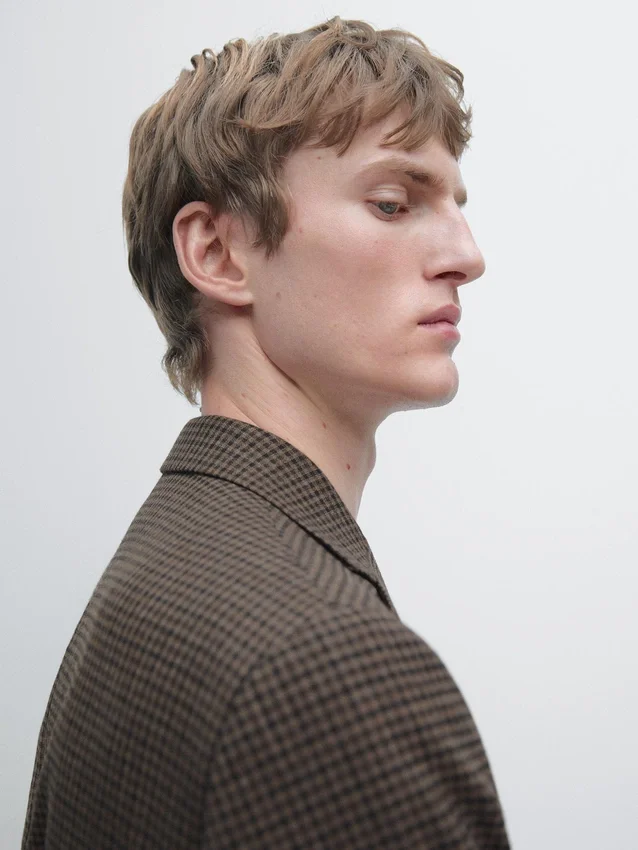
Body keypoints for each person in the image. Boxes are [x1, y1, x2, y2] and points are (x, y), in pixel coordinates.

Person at [22, 16, 511, 849]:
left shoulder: (161, 569)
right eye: (393, 203)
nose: (467, 255)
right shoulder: (329, 667)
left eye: (455, 206)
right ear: (217, 253)